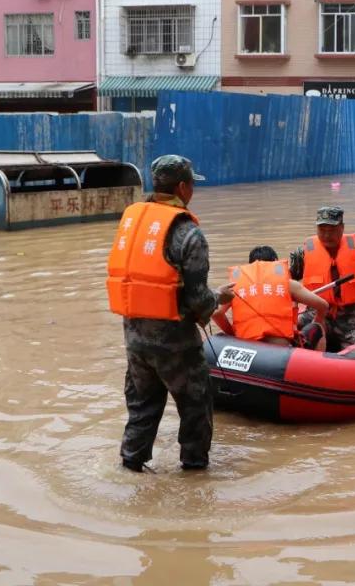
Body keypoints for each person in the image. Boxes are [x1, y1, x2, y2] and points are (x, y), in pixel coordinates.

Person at [106, 154, 234, 473]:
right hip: (175, 345)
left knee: (142, 409)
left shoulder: (133, 221)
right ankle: (194, 476)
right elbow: (198, 299)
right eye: (191, 184)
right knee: (195, 408)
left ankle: (130, 468)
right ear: (181, 187)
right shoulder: (188, 233)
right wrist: (220, 297)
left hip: (134, 340)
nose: (193, 190)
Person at [289, 206, 355, 353]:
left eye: (331, 230)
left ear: (342, 228)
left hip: (352, 316)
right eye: (322, 230)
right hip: (317, 312)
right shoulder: (302, 253)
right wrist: (292, 314)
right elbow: (287, 283)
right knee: (288, 337)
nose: (326, 235)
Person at [212, 245, 330, 348]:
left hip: (246, 348)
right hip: (280, 350)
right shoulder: (289, 285)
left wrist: (233, 334)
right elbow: (323, 305)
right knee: (317, 328)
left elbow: (216, 313)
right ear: (275, 262)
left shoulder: (235, 287)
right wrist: (318, 319)